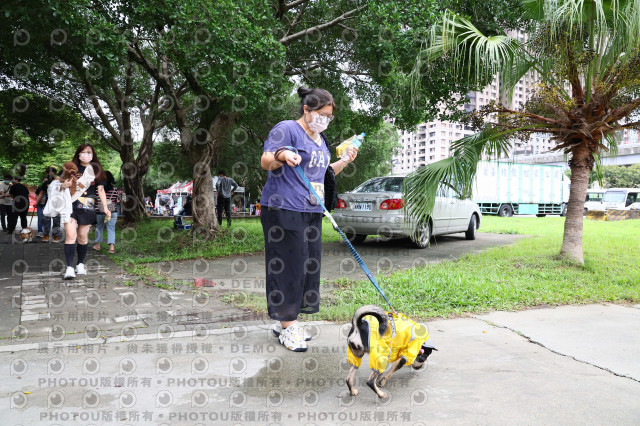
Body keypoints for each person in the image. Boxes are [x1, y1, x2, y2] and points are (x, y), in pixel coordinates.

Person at [259, 86, 358, 352]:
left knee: (307, 267)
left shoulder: (321, 140)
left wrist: (346, 161)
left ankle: (287, 323)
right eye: (321, 114)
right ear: (307, 109)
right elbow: (266, 159)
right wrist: (282, 155)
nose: (325, 120)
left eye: (329, 116)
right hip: (284, 208)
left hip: (312, 210)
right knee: (288, 265)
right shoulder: (287, 129)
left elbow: (324, 174)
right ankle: (288, 327)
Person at [61, 144, 111, 279]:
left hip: (88, 207)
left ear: (93, 154)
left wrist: (105, 207)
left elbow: (101, 190)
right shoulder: (70, 169)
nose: (86, 155)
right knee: (70, 236)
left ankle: (80, 264)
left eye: (89, 152)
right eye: (82, 153)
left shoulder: (96, 170)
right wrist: (63, 185)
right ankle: (70, 268)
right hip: (70, 206)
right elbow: (60, 184)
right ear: (78, 154)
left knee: (83, 237)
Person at [93, 171, 120, 254]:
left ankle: (97, 245)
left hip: (100, 210)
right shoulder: (115, 189)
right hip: (112, 211)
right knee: (111, 228)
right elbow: (117, 200)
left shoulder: (97, 189)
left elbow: (95, 200)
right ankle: (111, 247)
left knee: (99, 227)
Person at [35, 167, 61, 242]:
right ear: (47, 174)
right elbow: (41, 193)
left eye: (52, 172)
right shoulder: (45, 183)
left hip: (57, 205)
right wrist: (37, 202)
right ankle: (46, 235)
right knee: (45, 220)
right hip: (47, 204)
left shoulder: (59, 182)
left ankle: (56, 237)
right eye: (49, 172)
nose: (50, 174)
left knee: (56, 221)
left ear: (55, 173)